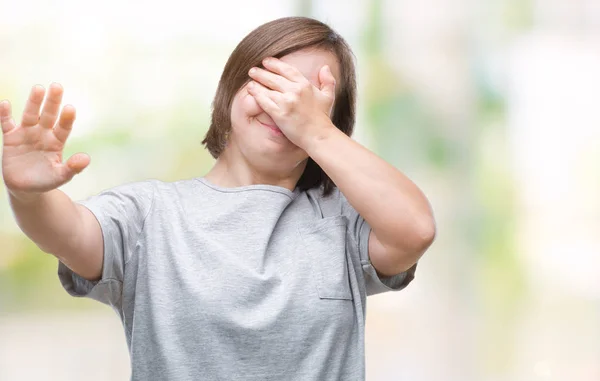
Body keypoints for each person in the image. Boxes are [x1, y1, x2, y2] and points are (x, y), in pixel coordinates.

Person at [1, 16, 435, 381]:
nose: (286, 107)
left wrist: (314, 131)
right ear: (231, 88)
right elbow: (66, 231)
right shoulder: (149, 215)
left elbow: (414, 230)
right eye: (272, 83)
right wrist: (26, 192)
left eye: (308, 99)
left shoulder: (346, 223)